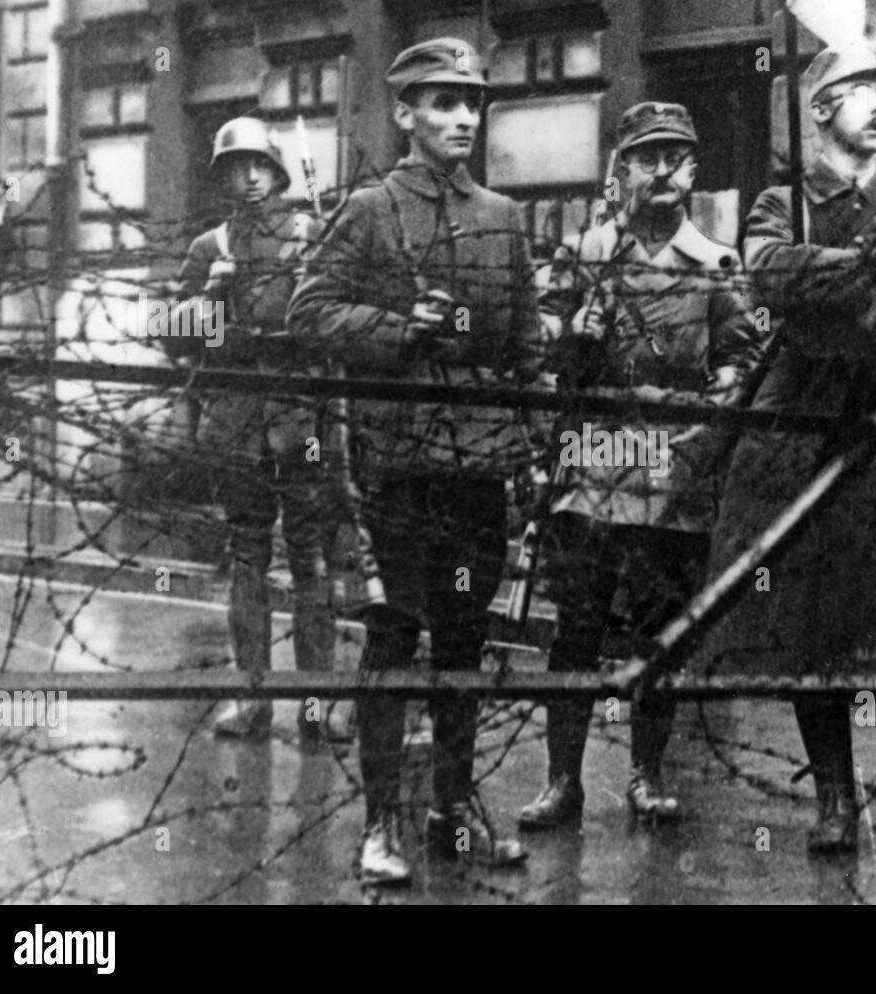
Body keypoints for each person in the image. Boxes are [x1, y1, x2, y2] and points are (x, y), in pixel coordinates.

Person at [696, 37, 876, 858]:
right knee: (818, 626)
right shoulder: (783, 203)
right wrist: (872, 267)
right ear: (820, 112)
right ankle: (837, 800)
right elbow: (776, 273)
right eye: (859, 91)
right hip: (809, 438)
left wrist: (867, 304)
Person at [287, 38, 538, 885]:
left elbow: (525, 349)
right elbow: (310, 313)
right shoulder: (366, 211)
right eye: (442, 102)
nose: (463, 117)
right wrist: (401, 332)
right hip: (397, 467)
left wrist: (533, 441)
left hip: (477, 467)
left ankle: (453, 804)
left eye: (472, 101)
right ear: (404, 113)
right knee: (395, 639)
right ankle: (382, 819)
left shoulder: (504, 219)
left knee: (466, 639)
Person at [517, 101, 759, 830]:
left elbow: (743, 359)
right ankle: (564, 781)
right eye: (645, 157)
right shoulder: (586, 254)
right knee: (576, 632)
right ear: (620, 171)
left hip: (672, 468)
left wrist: (717, 404)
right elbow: (536, 342)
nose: (661, 171)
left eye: (675, 158)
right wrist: (572, 336)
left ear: (692, 173)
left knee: (661, 629)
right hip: (592, 463)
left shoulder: (718, 264)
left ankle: (647, 774)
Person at [170, 117, 341, 745]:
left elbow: (338, 325)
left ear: (276, 171)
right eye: (233, 167)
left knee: (312, 561)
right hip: (238, 425)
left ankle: (318, 709)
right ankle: (253, 701)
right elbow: (174, 339)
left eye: (257, 166)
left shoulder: (312, 236)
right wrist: (210, 299)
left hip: (302, 423)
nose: (246, 177)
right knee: (246, 557)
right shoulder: (207, 247)